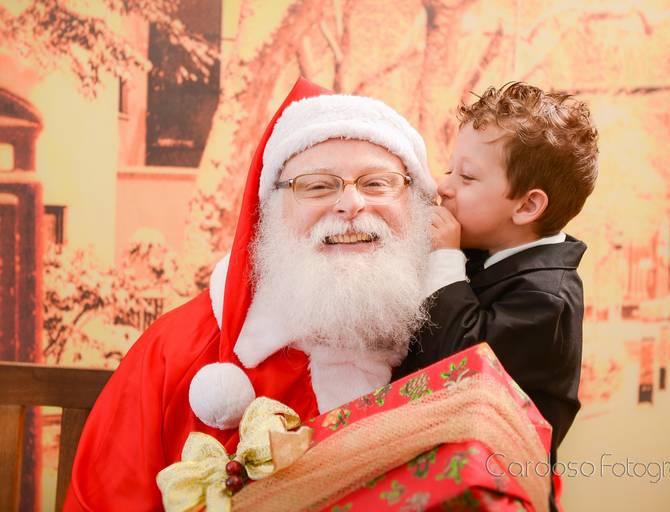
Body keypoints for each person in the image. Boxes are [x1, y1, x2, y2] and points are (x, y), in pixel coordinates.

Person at [64, 77, 437, 511]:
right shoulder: (178, 353)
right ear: (270, 212)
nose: (351, 203)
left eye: (378, 184)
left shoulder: (454, 339)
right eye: (317, 186)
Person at [393, 82, 599, 511]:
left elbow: (465, 366)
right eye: (450, 169)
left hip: (493, 489)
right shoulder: (481, 249)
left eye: (466, 177)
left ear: (526, 207)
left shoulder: (547, 298)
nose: (443, 185)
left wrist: (446, 259)